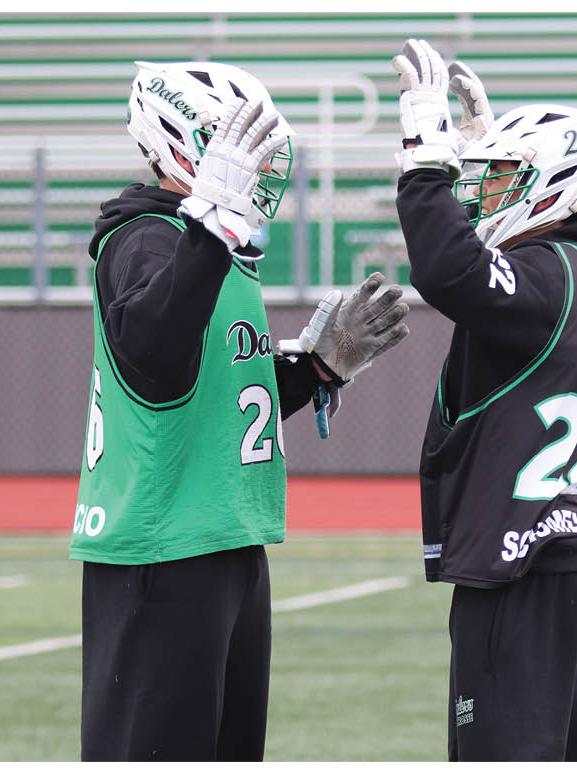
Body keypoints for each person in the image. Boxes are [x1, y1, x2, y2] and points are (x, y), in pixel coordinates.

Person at [70, 60, 409, 762]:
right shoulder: (146, 238)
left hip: (222, 537)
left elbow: (217, 398)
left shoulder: (210, 250)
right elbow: (154, 357)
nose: (258, 169)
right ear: (181, 142)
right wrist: (209, 230)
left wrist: (315, 368)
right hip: (163, 546)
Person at [391, 39, 577, 761]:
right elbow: (496, 260)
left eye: (501, 179)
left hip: (516, 563)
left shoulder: (547, 276)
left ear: (558, 185)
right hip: (563, 558)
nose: (482, 191)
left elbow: (447, 270)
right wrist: (486, 151)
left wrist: (426, 157)